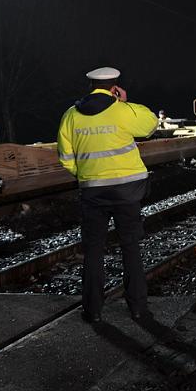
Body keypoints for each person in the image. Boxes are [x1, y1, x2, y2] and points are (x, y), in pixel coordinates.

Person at [57, 67, 158, 323]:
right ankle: (138, 309)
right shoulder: (122, 110)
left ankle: (92, 311)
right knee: (130, 248)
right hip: (127, 191)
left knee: (93, 250)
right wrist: (125, 102)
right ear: (114, 86)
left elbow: (66, 157)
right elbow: (150, 124)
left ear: (90, 86)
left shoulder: (70, 116)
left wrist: (85, 176)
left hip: (92, 191)